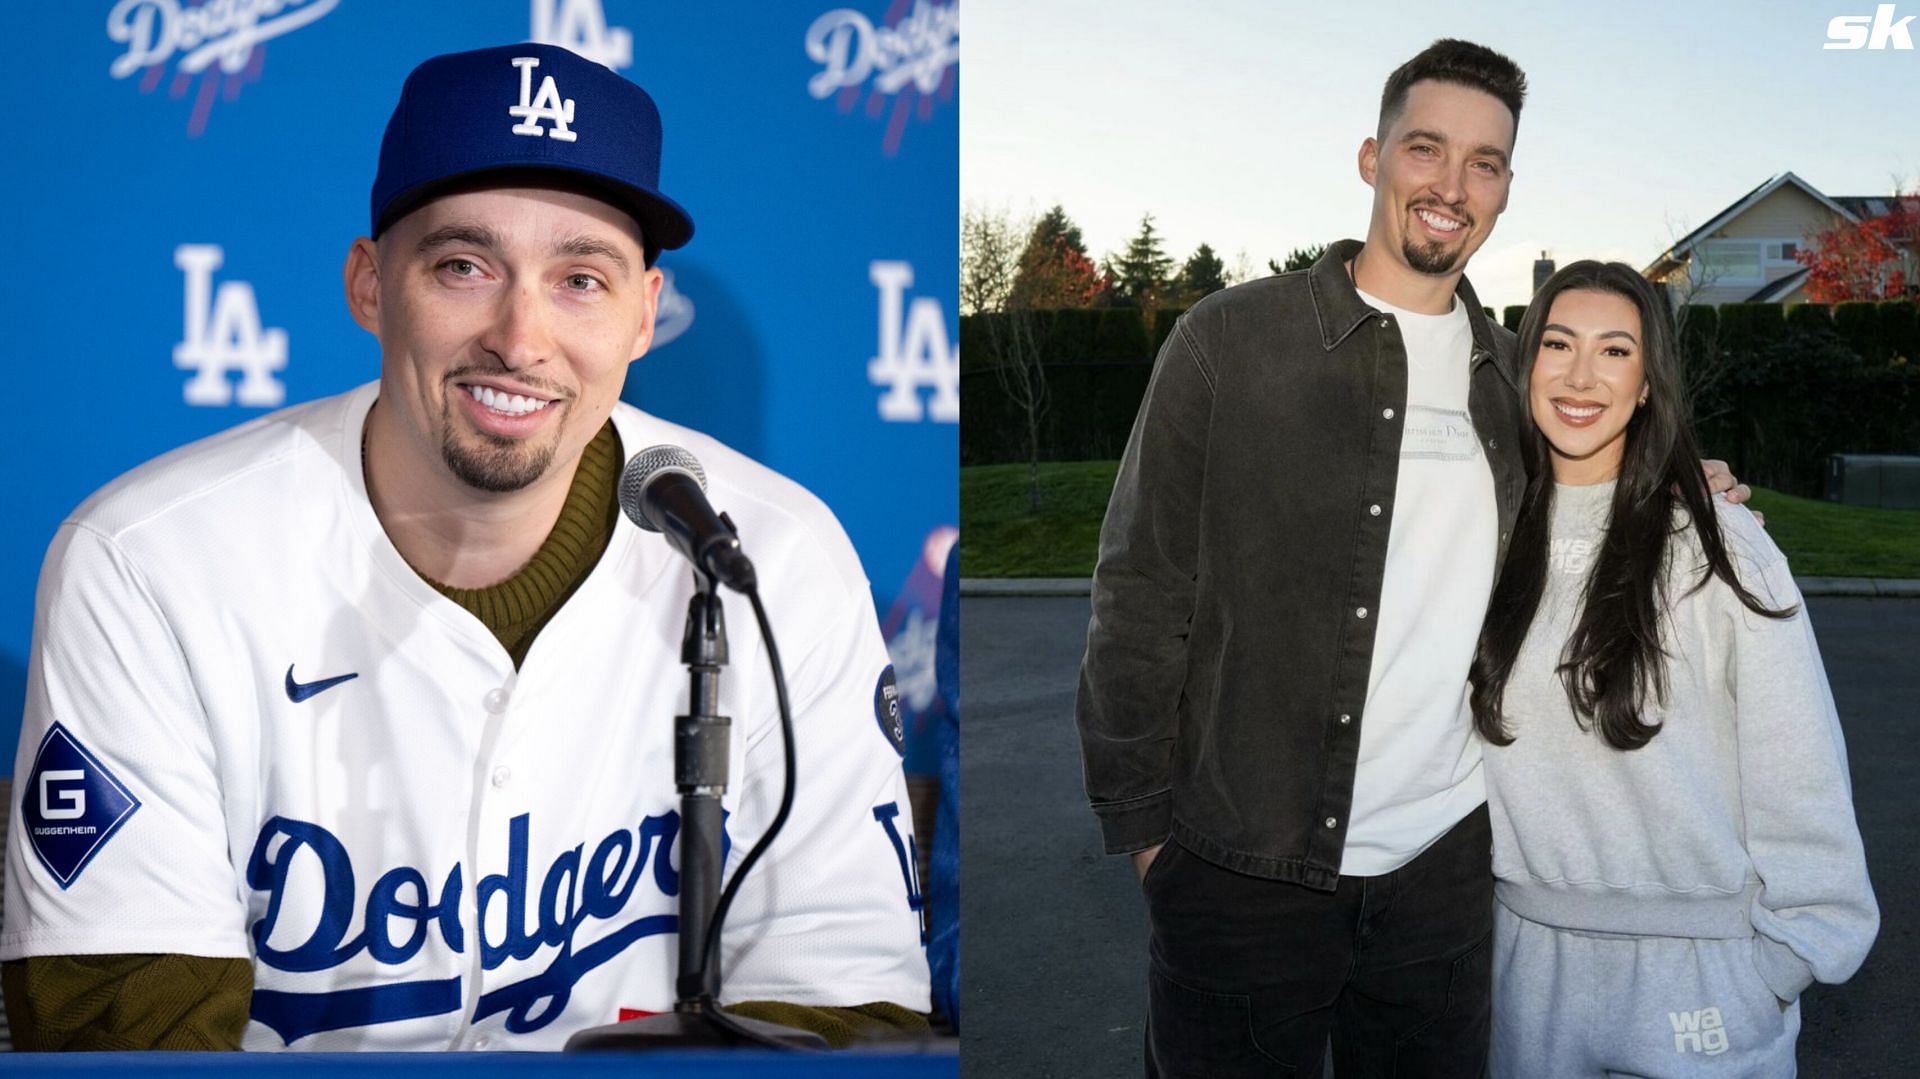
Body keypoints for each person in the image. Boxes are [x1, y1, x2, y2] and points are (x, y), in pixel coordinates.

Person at [1, 43, 930, 1051]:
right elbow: (123, 1031)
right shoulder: (152, 560)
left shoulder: (772, 556)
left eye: (581, 276)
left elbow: (847, 1008)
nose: (519, 335)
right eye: (463, 265)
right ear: (369, 285)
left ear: (644, 315)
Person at [1074, 39, 1749, 1077]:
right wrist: (1148, 836)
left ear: (1506, 188)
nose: (1452, 184)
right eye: (1426, 149)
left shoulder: (1512, 380)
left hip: (1442, 876)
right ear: (1371, 157)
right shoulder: (1229, 342)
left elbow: (1599, 452)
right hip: (1240, 869)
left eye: (1484, 162)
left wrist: (1678, 477)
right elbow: (1139, 592)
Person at [1471, 261, 1877, 1077]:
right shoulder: (1487, 538)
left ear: (1649, 382)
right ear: (1526, 366)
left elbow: (1800, 775)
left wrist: (1773, 971)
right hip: (1525, 993)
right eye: (1558, 343)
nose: (1582, 375)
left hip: (1703, 989)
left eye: (1615, 351)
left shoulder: (1720, 547)